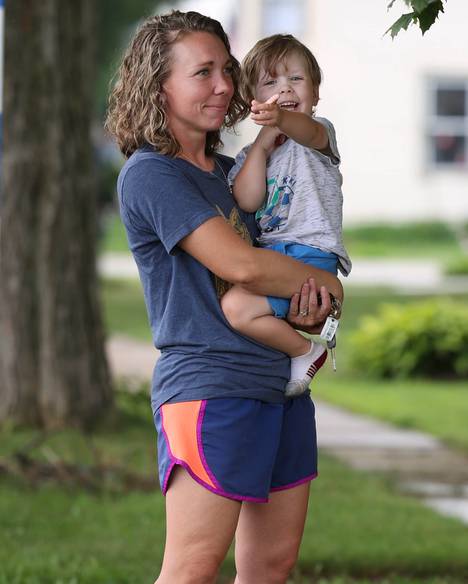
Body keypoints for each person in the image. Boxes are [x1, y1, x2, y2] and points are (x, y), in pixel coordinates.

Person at [105, 11, 343, 583]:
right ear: (158, 84)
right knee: (192, 569)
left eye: (227, 71)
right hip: (211, 387)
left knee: (270, 567)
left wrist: (313, 300)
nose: (222, 86)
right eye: (202, 72)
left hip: (282, 384)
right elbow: (240, 265)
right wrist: (329, 285)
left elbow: (293, 250)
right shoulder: (153, 175)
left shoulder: (234, 173)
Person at [221, 34, 351, 397]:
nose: (285, 89)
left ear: (316, 92)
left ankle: (303, 351)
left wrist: (282, 119)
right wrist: (262, 145)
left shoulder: (319, 135)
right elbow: (247, 201)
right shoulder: (251, 155)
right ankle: (305, 349)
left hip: (312, 253)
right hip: (271, 256)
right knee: (235, 308)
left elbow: (305, 129)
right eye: (271, 82)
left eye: (296, 79)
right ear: (254, 101)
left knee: (235, 307)